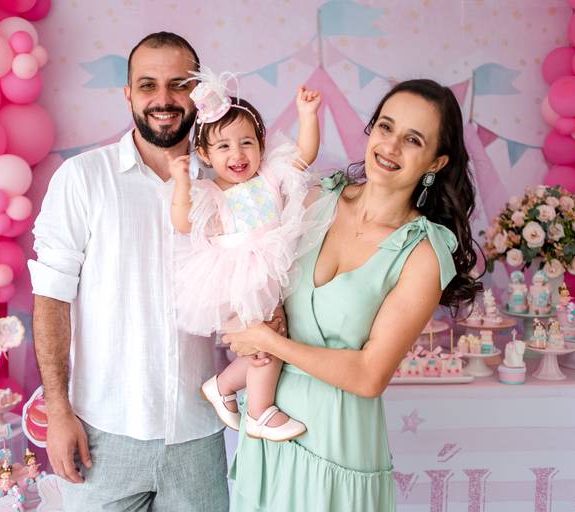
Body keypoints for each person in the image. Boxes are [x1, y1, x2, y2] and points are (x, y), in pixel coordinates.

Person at [223, 79, 481, 511]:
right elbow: (248, 267)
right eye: (386, 127)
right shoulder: (313, 197)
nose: (391, 146)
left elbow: (369, 375)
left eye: (413, 140)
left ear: (436, 162)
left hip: (337, 444)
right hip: (267, 430)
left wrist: (269, 342)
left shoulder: (422, 253)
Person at [29, 32, 229, 511]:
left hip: (197, 434)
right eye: (147, 85)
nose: (163, 99)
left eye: (179, 84)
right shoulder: (83, 179)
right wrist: (58, 411)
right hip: (101, 433)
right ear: (128, 94)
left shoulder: (223, 184)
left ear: (199, 91)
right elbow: (51, 298)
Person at [168, 71, 328, 442]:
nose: (237, 154)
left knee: (274, 339)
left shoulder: (269, 176)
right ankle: (259, 412)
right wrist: (181, 183)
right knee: (264, 344)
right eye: (223, 147)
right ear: (205, 154)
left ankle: (223, 386)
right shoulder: (211, 193)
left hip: (272, 270)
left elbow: (304, 156)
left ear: (261, 144)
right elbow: (182, 222)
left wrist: (308, 115)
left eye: (246, 143)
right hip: (236, 277)